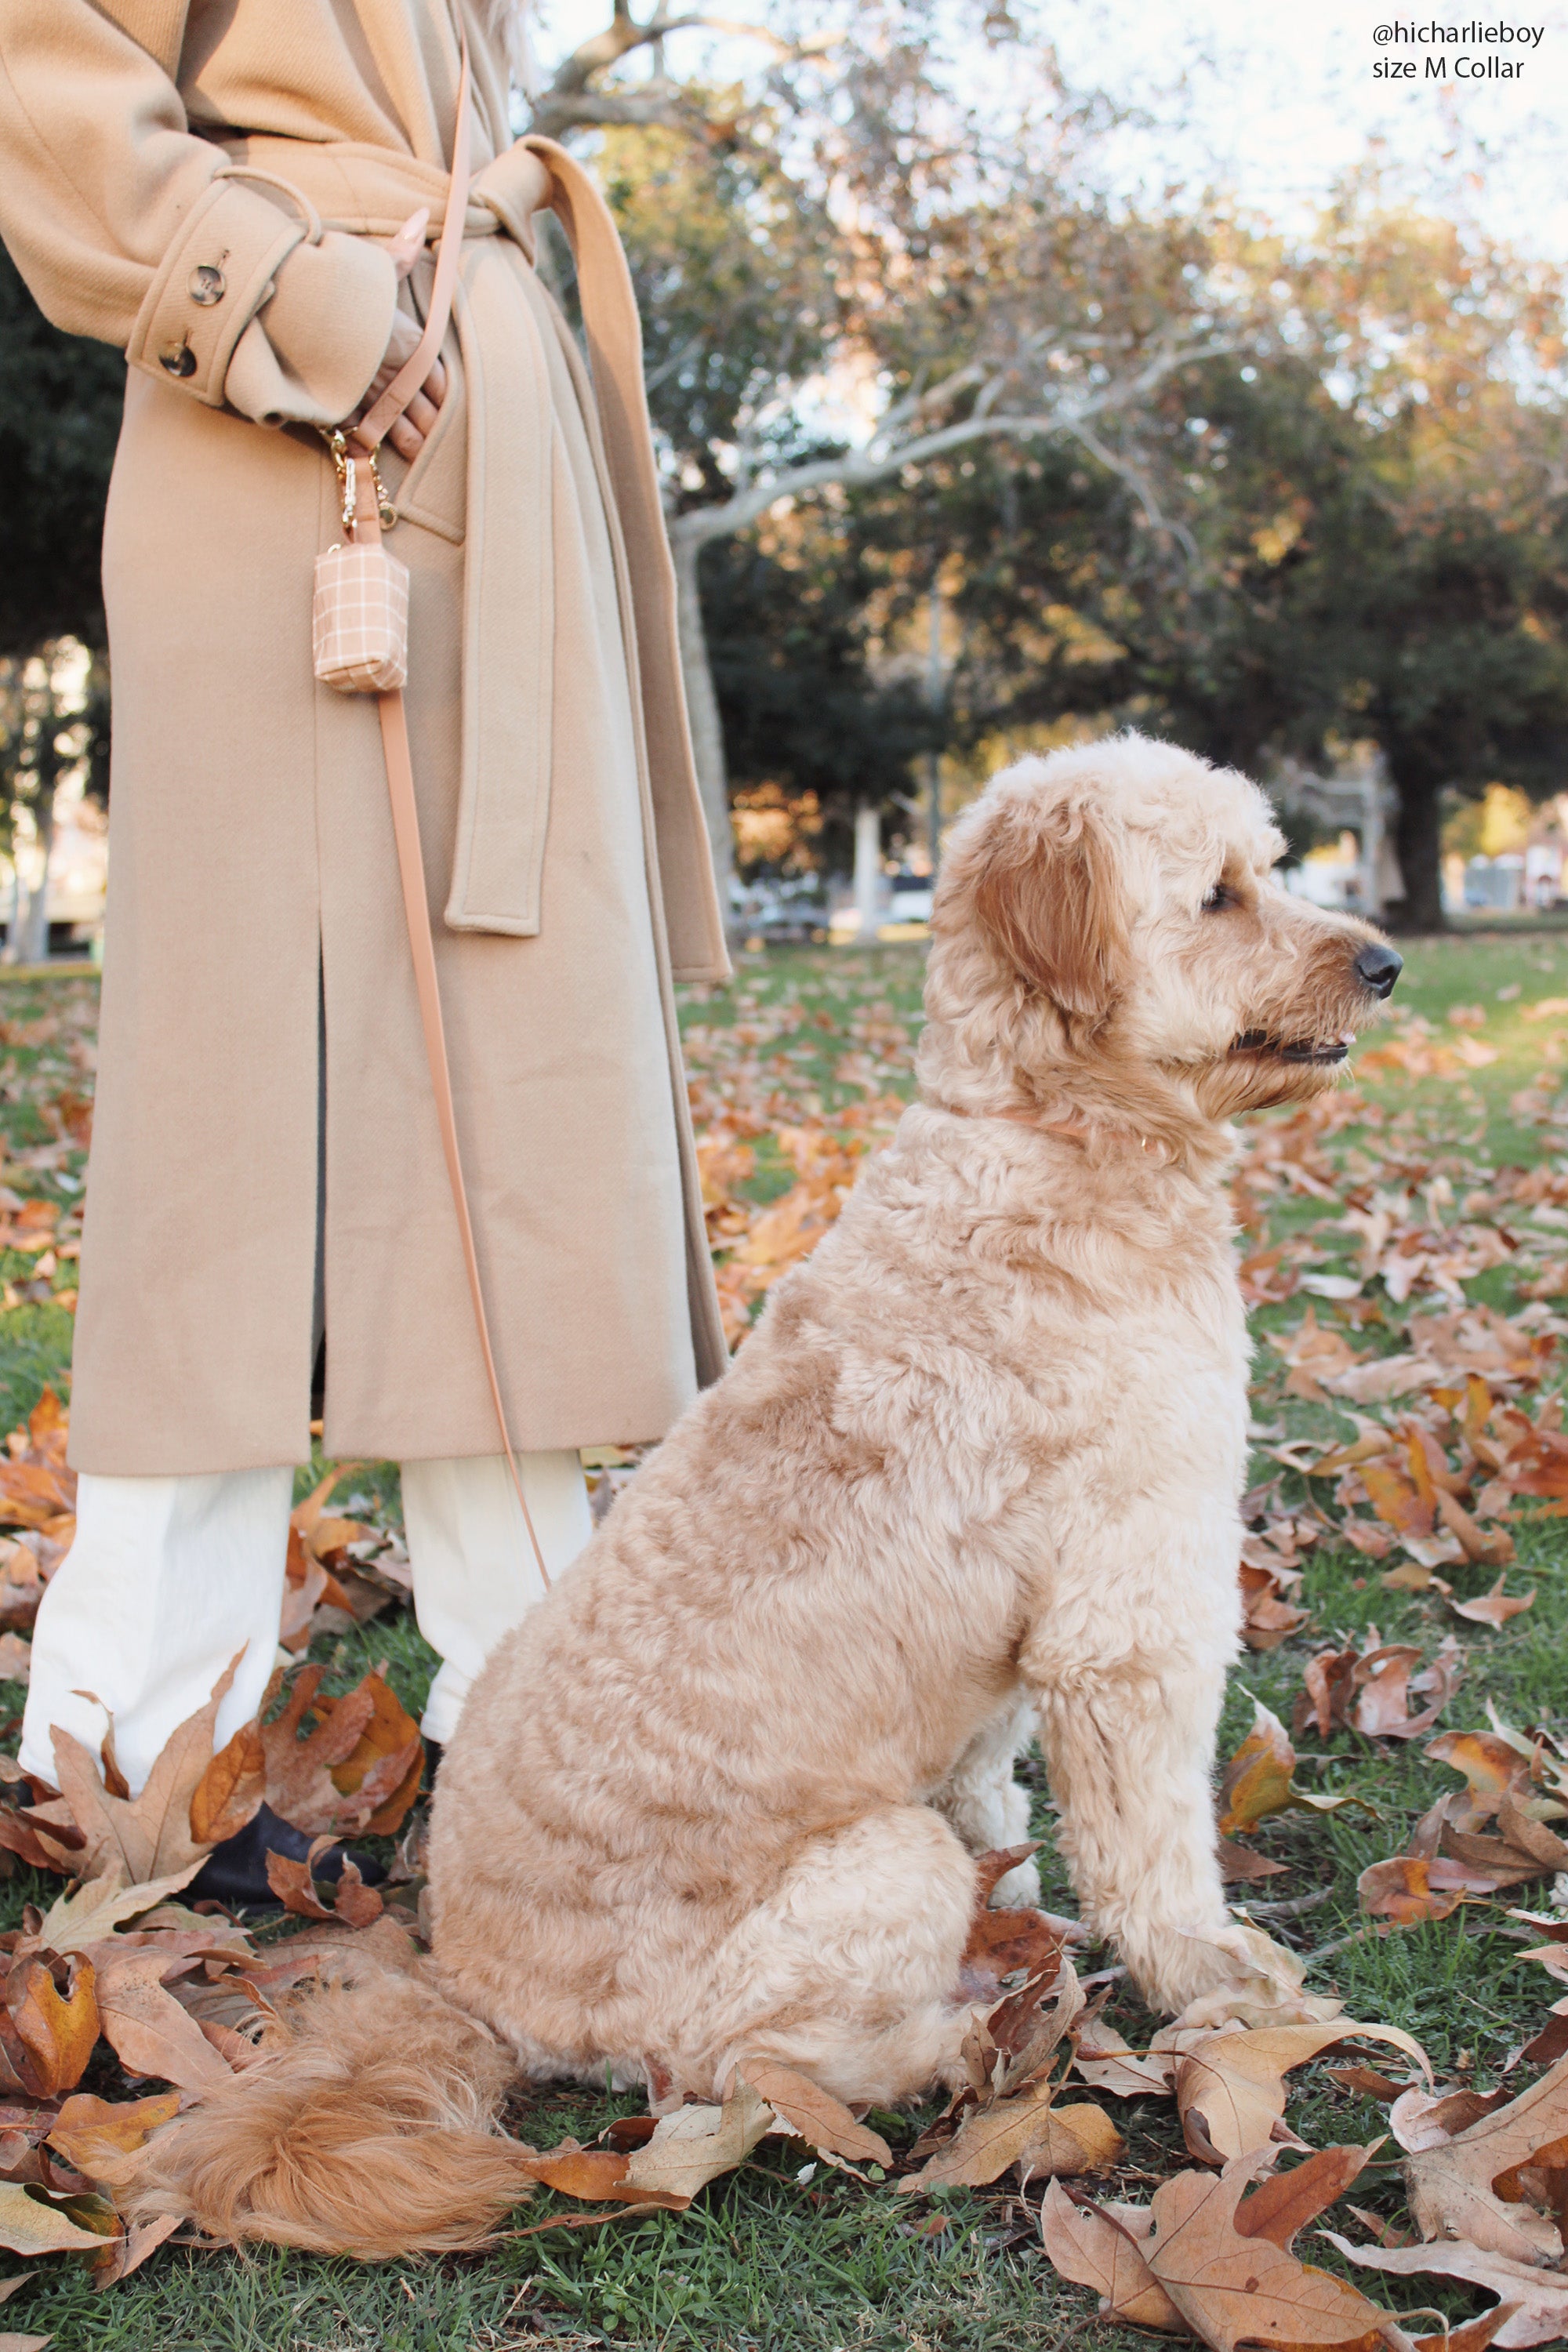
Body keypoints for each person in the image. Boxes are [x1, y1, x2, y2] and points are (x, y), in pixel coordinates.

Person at [0, 0, 728, 1893]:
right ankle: (142, 1756)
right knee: (227, 1107)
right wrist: (318, 311)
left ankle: (553, 1752)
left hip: (470, 418)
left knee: (505, 1106)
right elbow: (42, 70)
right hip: (294, 448)